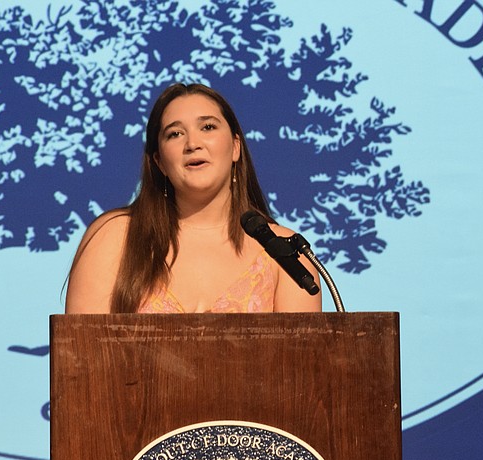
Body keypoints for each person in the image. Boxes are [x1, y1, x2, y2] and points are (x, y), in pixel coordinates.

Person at [65, 83, 321, 314]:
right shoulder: (114, 236)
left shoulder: (287, 255)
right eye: (175, 134)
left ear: (235, 147)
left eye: (208, 127)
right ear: (159, 162)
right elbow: (80, 349)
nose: (193, 144)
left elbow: (304, 352)